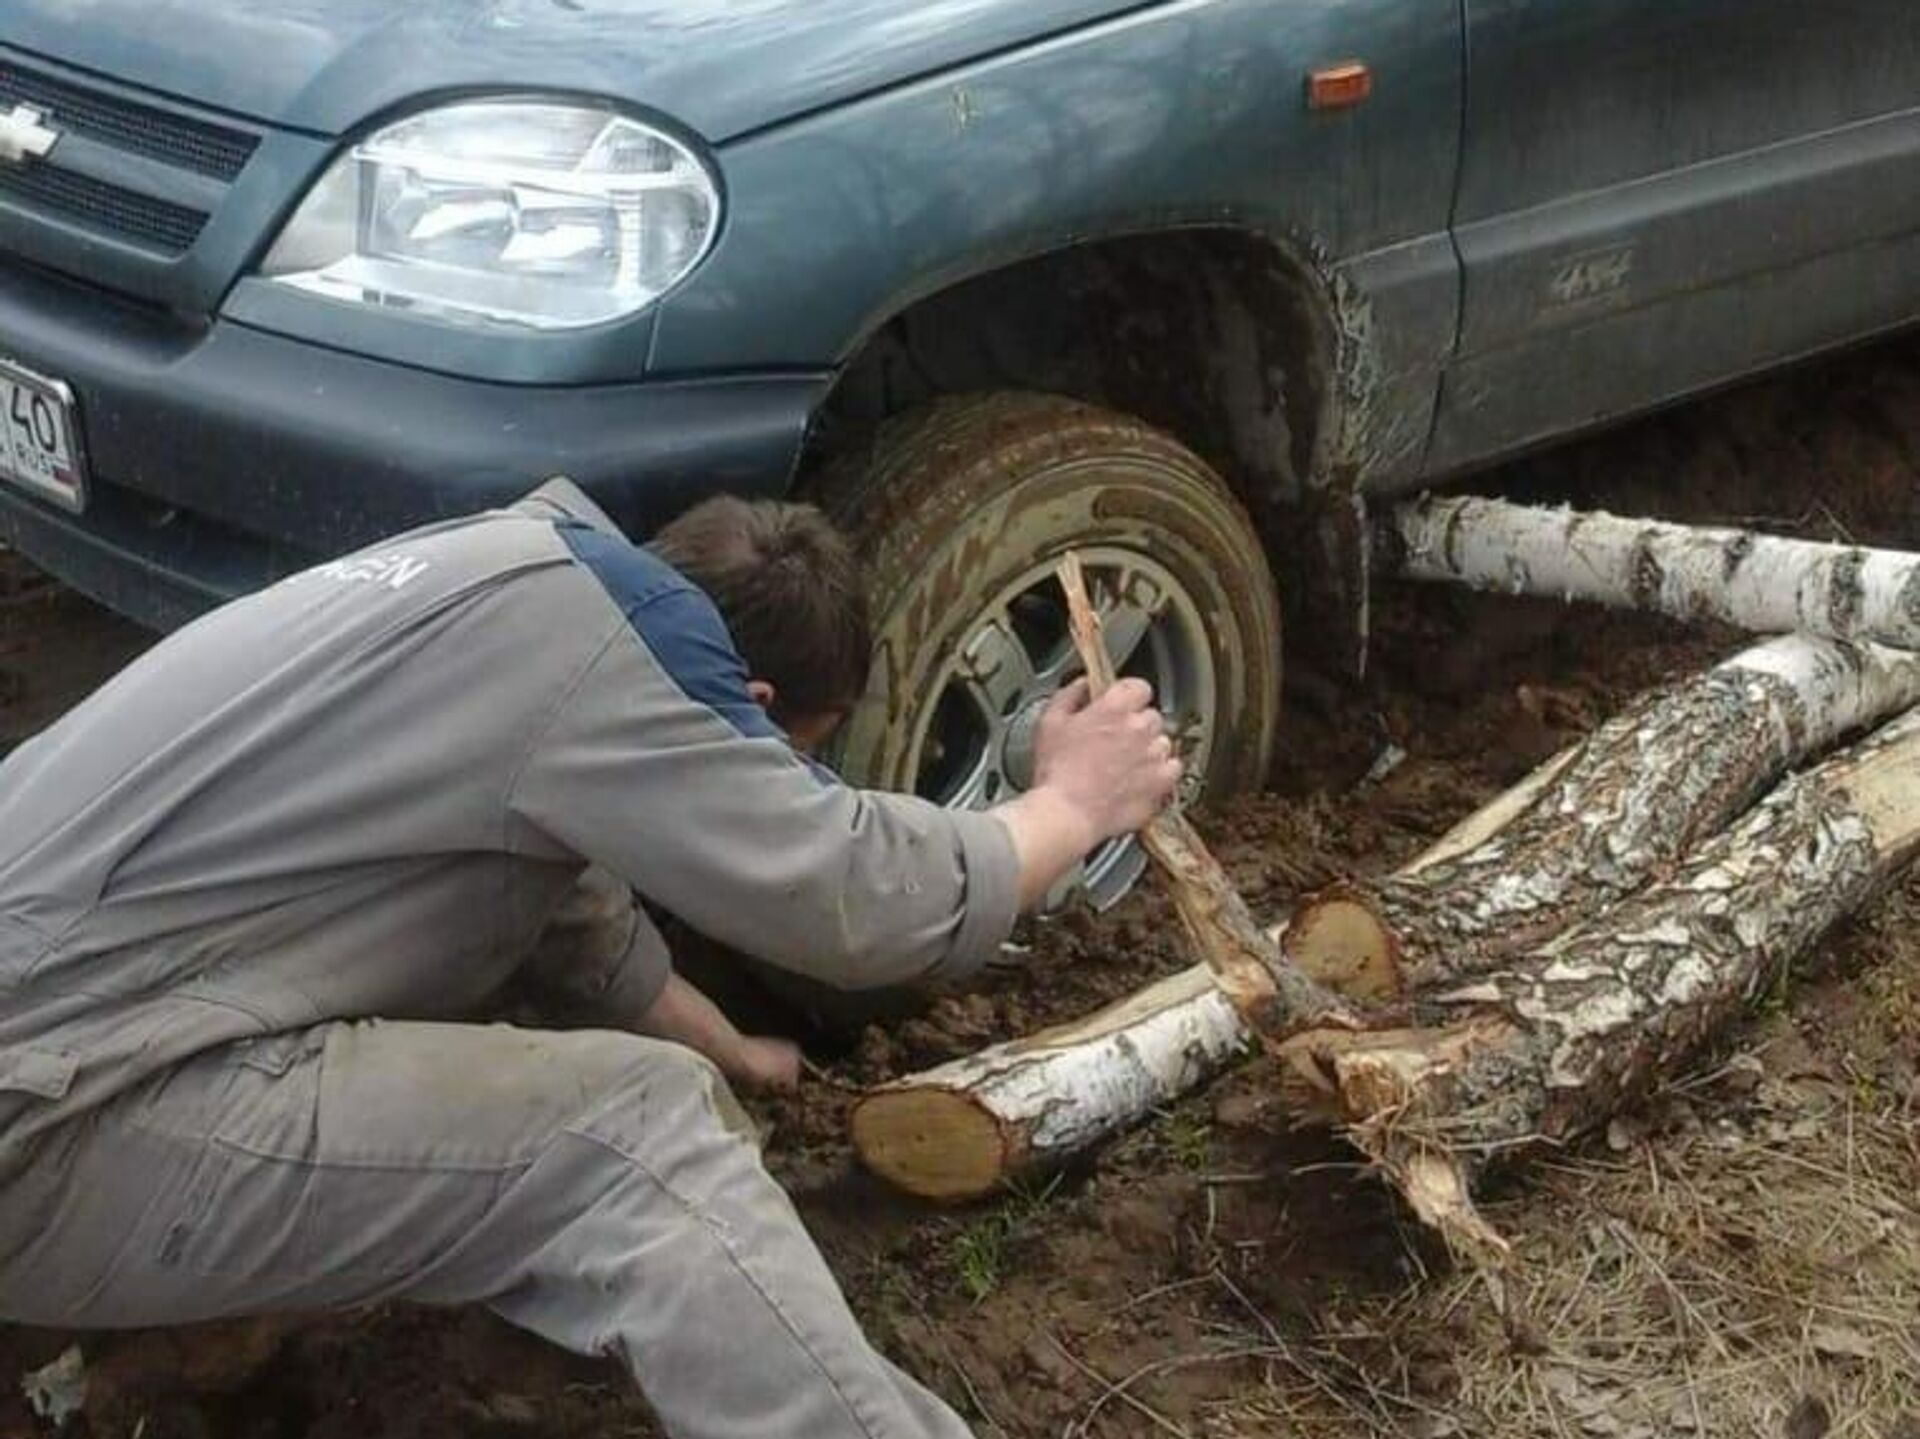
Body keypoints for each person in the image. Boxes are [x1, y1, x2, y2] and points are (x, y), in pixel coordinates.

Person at [0, 478, 1181, 1439]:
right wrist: (1071, 804)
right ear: (754, 696)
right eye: (783, 753)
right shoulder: (606, 667)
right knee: (634, 1142)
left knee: (618, 1080)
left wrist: (733, 1045)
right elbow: (858, 893)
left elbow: (567, 903)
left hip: (61, 1021)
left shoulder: (508, 573)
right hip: (47, 1119)